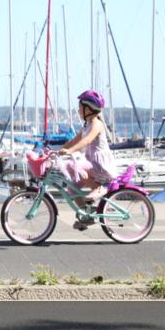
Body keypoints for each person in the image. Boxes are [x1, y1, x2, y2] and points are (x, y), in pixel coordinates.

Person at [59, 89, 119, 231]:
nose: (79, 110)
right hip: (92, 163)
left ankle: (98, 188)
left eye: (80, 107)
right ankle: (87, 216)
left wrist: (70, 151)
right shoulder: (87, 124)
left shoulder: (97, 124)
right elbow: (75, 140)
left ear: (89, 109)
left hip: (100, 165)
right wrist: (58, 151)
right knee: (72, 188)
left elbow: (87, 140)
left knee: (75, 167)